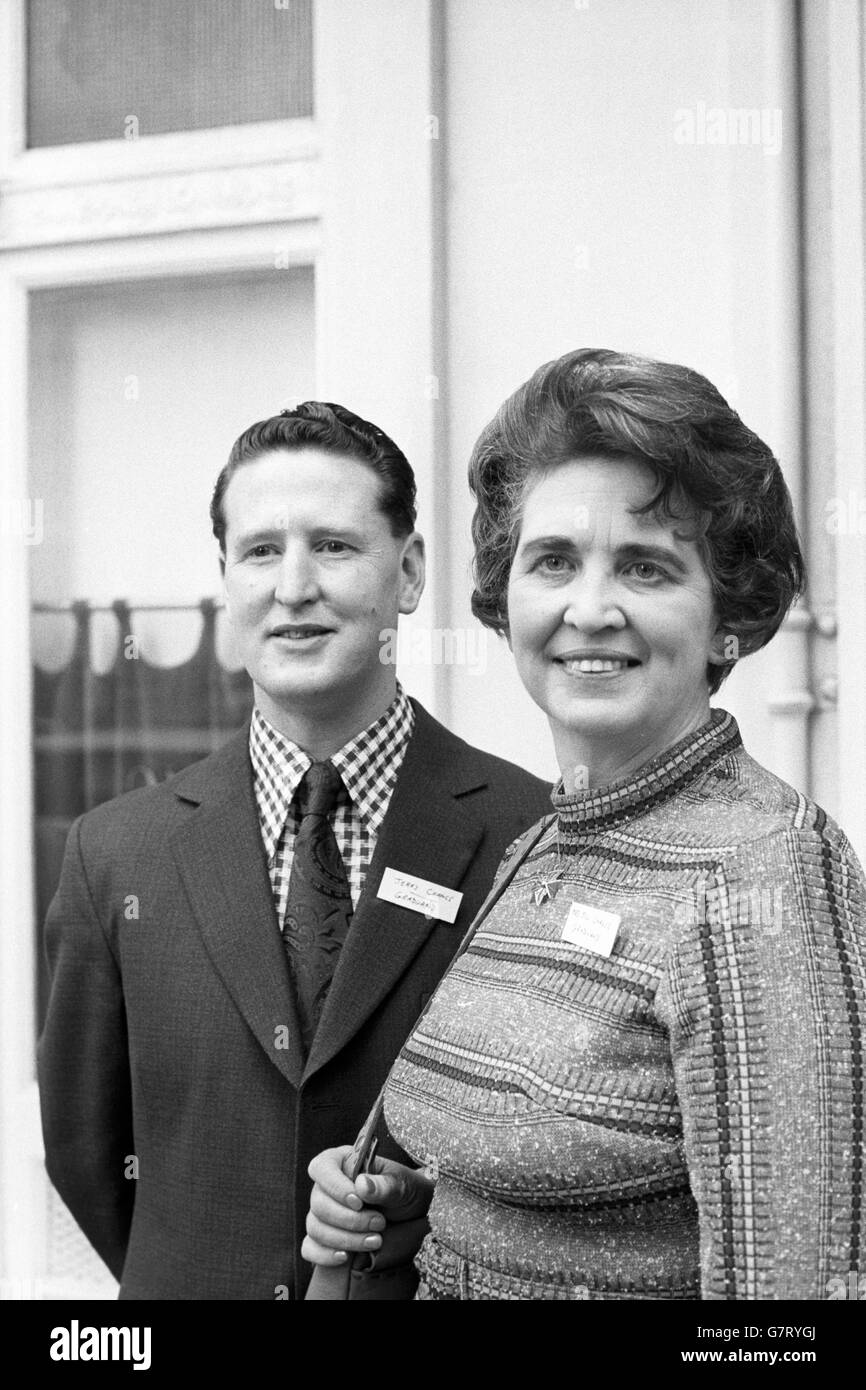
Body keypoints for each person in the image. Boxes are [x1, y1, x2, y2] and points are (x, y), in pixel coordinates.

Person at [303, 350, 866, 1300]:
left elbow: (793, 1314)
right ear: (506, 594)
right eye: (554, 561)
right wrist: (409, 1207)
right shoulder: (549, 834)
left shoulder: (763, 871)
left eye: (645, 568)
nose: (590, 608)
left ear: (728, 613)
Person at [37, 401, 551, 1300]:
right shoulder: (115, 854)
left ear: (410, 572)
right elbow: (88, 1152)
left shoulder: (529, 834)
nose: (294, 585)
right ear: (228, 580)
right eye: (262, 551)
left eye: (336, 546)